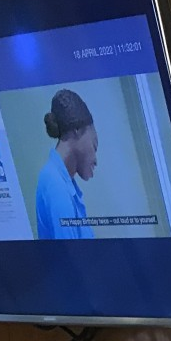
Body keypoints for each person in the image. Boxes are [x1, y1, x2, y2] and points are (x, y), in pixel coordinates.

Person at [35, 89, 98, 239]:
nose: (96, 160)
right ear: (77, 130)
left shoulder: (59, 180)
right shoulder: (56, 186)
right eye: (94, 146)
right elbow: (72, 252)